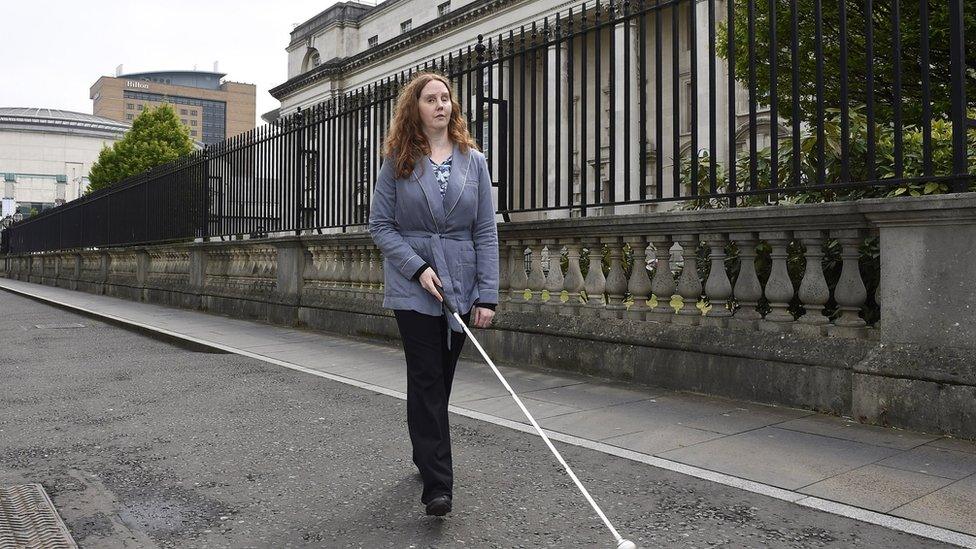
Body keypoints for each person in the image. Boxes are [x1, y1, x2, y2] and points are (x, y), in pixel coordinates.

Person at [368, 72, 499, 517]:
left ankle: (425, 454)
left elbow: (485, 231)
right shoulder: (397, 160)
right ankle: (438, 486)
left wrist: (488, 296)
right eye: (430, 99)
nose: (441, 105)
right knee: (425, 378)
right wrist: (417, 266)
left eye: (446, 98)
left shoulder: (474, 162)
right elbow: (381, 226)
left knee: (438, 383)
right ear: (415, 108)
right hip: (413, 286)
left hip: (460, 284)